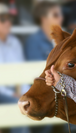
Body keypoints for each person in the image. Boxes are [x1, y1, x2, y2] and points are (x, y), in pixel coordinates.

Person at [0, 3, 30, 133]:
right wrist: (15, 95)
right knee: (19, 107)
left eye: (9, 19)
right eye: (2, 19)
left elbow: (22, 74)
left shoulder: (15, 42)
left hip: (16, 92)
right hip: (4, 93)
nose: (8, 23)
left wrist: (25, 93)